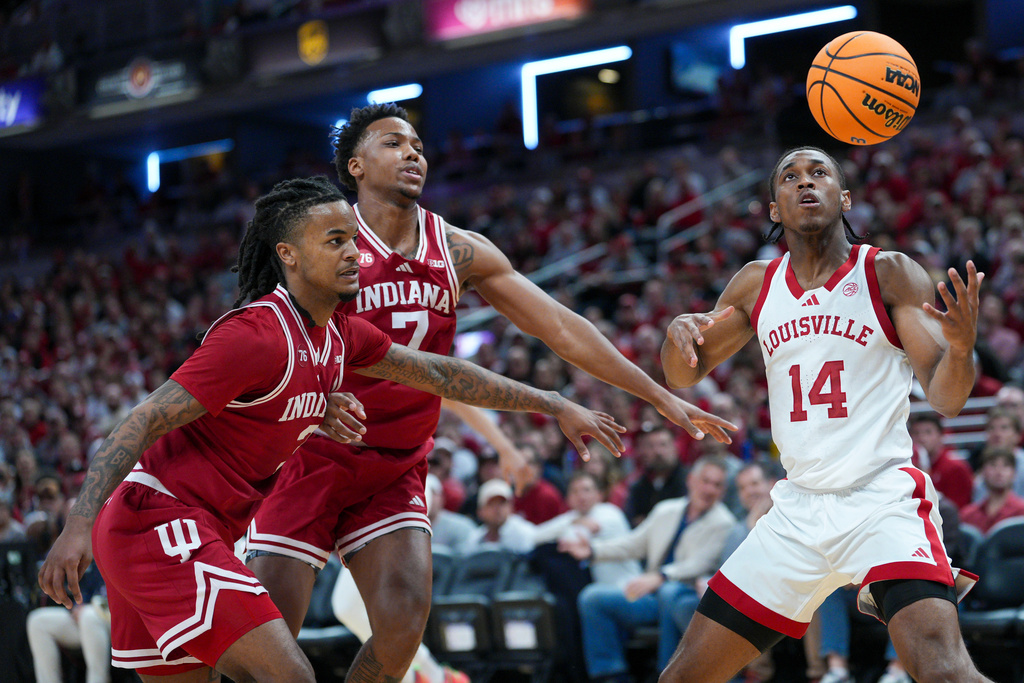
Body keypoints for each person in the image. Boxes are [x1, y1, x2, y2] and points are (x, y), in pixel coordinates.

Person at [37, 176, 625, 682]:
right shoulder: (253, 336)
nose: (353, 254)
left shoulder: (337, 333)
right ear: (289, 255)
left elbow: (441, 372)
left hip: (197, 527)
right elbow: (140, 420)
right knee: (290, 673)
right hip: (157, 519)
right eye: (335, 241)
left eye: (353, 240)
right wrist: (76, 526)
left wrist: (551, 401)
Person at [244, 103, 736, 683]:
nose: (412, 154)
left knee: (403, 626)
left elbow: (561, 327)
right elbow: (263, 340)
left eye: (419, 146)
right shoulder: (329, 243)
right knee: (269, 644)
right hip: (311, 457)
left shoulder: (456, 250)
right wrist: (309, 396)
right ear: (354, 165)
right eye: (393, 144)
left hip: (394, 465)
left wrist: (659, 395)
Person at [658, 146, 992, 683]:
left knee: (945, 673)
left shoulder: (887, 272)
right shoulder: (755, 284)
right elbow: (682, 373)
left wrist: (960, 348)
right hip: (796, 513)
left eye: (819, 174)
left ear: (846, 197)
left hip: (881, 500)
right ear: (773, 208)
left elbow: (949, 398)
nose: (805, 183)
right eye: (790, 177)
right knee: (681, 678)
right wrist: (677, 333)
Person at [561, 455, 735, 681]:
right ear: (691, 480)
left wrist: (661, 576)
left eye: (717, 484)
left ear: (723, 491)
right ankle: (611, 674)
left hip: (688, 596)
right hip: (650, 595)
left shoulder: (724, 522)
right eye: (705, 480)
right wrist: (594, 551)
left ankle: (664, 674)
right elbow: (634, 543)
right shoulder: (666, 509)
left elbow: (699, 563)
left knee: (669, 592)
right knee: (592, 597)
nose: (710, 489)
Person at [27, 562, 111, 683]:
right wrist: (79, 604)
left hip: (115, 619)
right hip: (88, 619)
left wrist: (90, 606)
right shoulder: (93, 553)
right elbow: (85, 589)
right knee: (38, 621)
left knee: (88, 616)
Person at [624, 424, 688, 527]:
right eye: (651, 446)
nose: (658, 452)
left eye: (663, 445)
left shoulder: (689, 481)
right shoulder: (638, 486)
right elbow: (631, 521)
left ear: (675, 447)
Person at [908, 412, 974, 509]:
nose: (922, 438)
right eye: (916, 433)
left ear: (941, 435)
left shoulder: (955, 468)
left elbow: (957, 509)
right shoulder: (908, 466)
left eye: (928, 432)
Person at [462, 478, 537, 554]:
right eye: (491, 504)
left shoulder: (524, 533)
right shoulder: (474, 539)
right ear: (480, 511)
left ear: (511, 507)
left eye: (502, 503)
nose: (497, 509)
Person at [961, 447, 1024, 533]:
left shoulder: (1021, 511)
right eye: (993, 465)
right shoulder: (967, 515)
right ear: (982, 471)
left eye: (1005, 465)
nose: (999, 472)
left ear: (1014, 473)